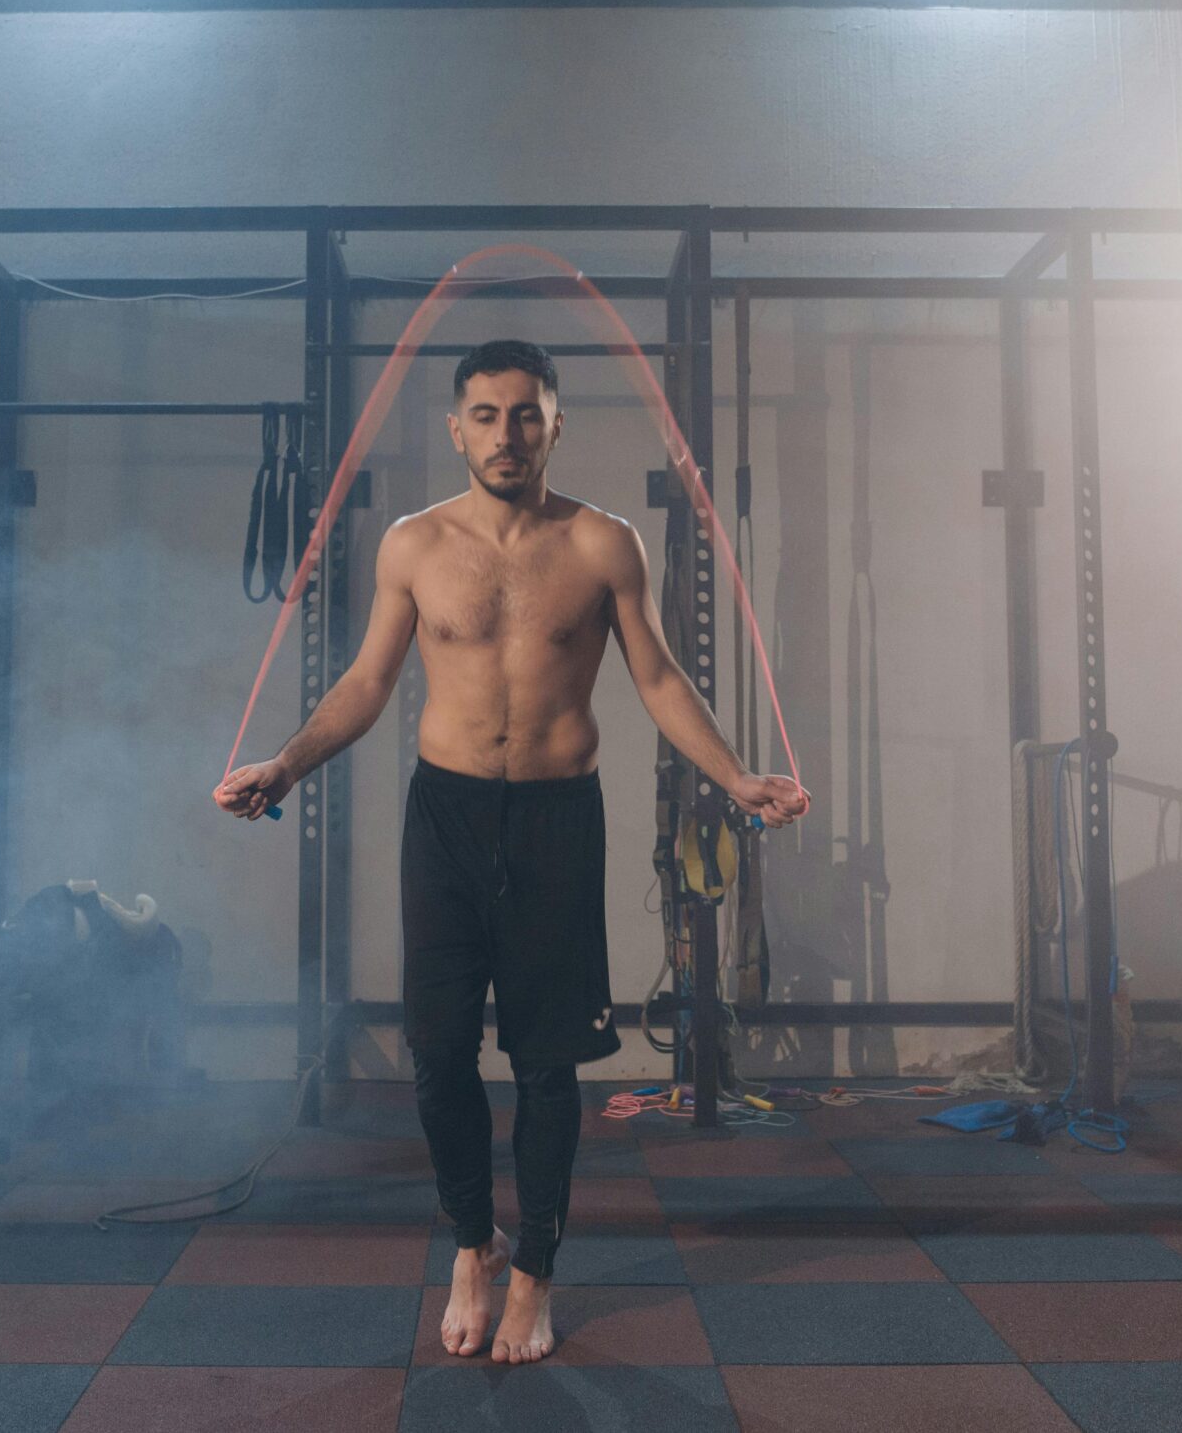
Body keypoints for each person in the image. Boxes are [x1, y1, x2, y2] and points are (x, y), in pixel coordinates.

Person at [215, 338, 809, 1364]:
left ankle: (533, 1267)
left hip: (555, 821)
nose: (506, 432)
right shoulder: (412, 544)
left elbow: (659, 679)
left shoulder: (601, 542)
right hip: (443, 817)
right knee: (439, 1056)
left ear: (554, 423)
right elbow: (364, 683)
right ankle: (470, 1241)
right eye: (485, 415)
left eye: (525, 412)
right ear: (458, 428)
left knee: (544, 1066)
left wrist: (735, 775)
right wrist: (287, 762)